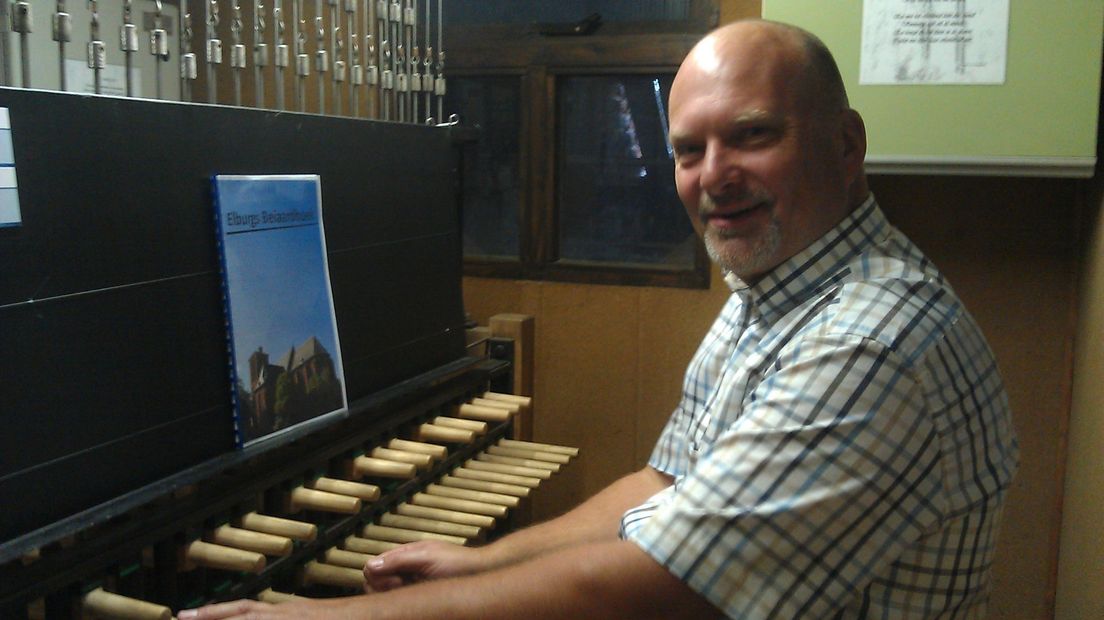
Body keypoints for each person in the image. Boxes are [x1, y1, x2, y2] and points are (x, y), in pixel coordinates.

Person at [181, 18, 1018, 620]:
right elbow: (663, 486)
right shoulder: (775, 290)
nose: (713, 175)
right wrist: (484, 560)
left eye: (751, 136)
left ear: (845, 144)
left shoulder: (871, 338)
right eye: (690, 150)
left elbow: (669, 583)